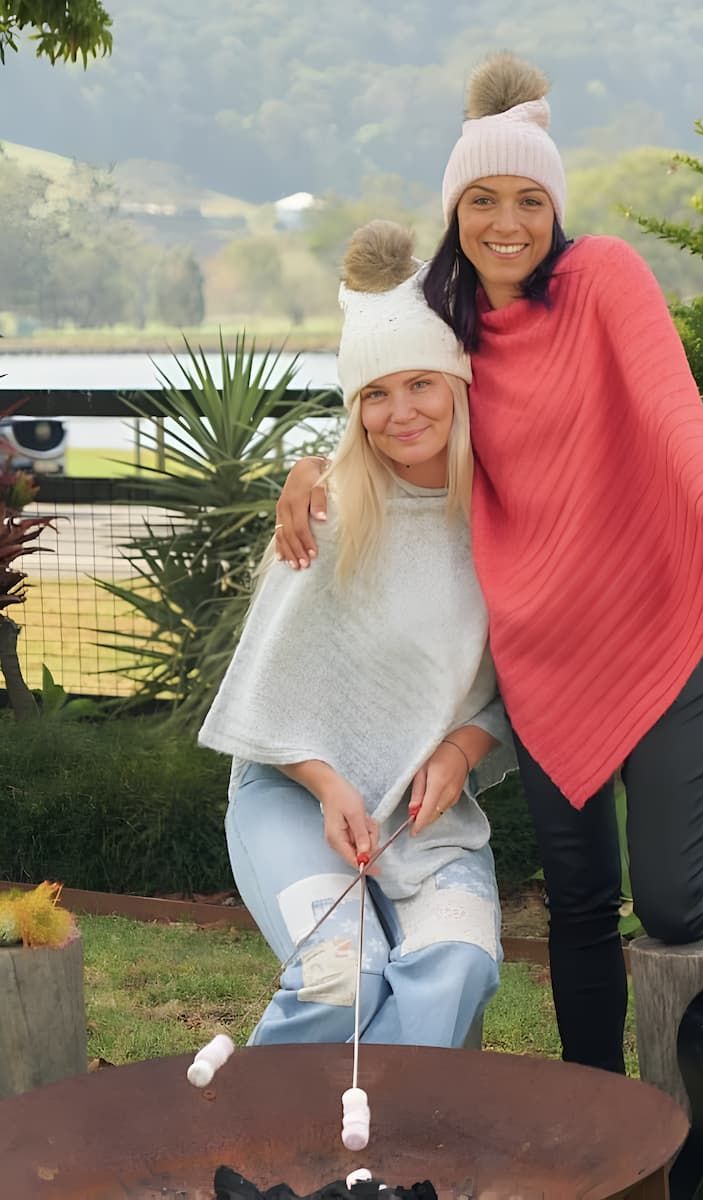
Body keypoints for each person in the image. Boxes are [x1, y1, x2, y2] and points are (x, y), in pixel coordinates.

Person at [273, 55, 703, 1075]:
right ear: (454, 212)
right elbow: (386, 403)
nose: (506, 222)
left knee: (667, 899)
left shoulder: (603, 275)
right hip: (539, 646)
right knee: (574, 900)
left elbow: (676, 419)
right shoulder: (445, 320)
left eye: (529, 199)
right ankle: (596, 1112)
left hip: (656, 614)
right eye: (480, 200)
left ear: (555, 207)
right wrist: (309, 463)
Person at [199, 221, 514, 1051]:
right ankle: (270, 1156)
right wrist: (331, 786)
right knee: (342, 975)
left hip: (424, 810)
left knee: (456, 966)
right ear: (354, 408)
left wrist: (460, 753)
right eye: (375, 393)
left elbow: (519, 685)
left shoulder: (508, 517)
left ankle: (380, 1163)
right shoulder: (327, 514)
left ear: (457, 385)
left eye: (420, 384)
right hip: (294, 793)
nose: (400, 412)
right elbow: (265, 695)